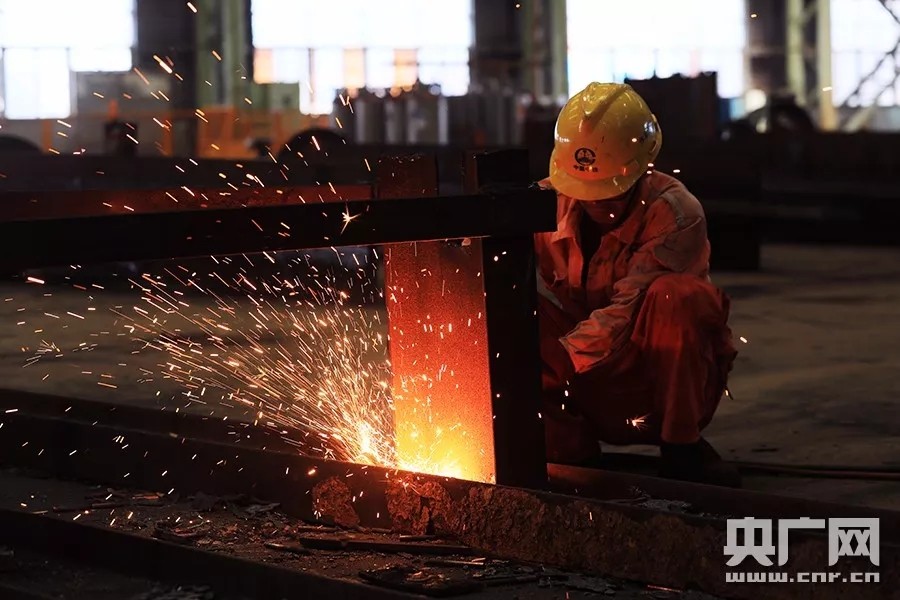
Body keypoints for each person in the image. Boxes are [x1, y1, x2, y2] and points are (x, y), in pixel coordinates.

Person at [535, 82, 740, 487]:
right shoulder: (546, 202)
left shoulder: (677, 214)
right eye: (585, 193)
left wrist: (563, 357)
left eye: (609, 194)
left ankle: (682, 447)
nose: (596, 204)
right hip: (582, 388)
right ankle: (571, 453)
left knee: (678, 298)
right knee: (506, 311)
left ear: (642, 168)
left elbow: (626, 311)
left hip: (653, 386)